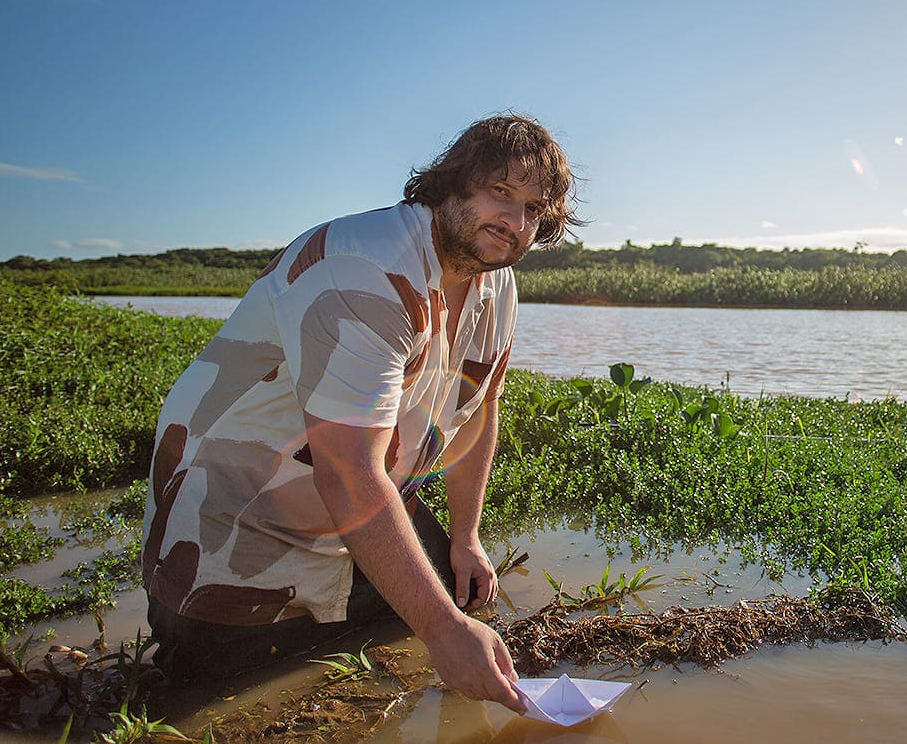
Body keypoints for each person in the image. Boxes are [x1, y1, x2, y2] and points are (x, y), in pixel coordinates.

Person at [139, 113, 581, 713]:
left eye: (533, 208)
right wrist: (444, 634)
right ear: (450, 183)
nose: (515, 220)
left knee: (453, 597)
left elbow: (480, 410)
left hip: (358, 499)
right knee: (218, 701)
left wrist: (468, 537)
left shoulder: (493, 280)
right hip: (237, 514)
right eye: (500, 191)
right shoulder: (363, 267)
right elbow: (347, 470)